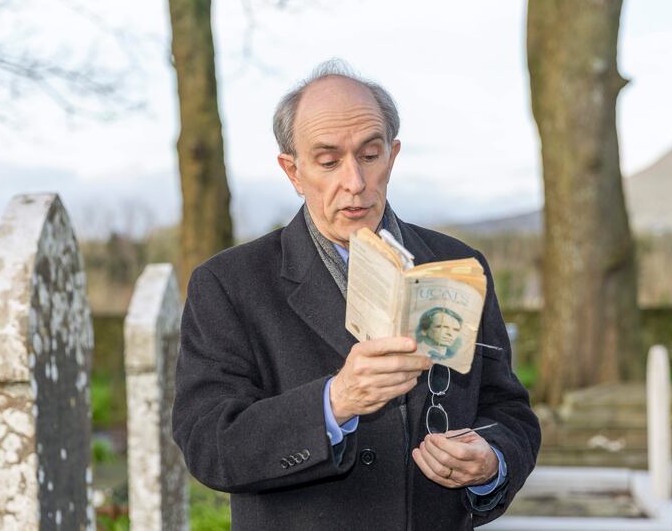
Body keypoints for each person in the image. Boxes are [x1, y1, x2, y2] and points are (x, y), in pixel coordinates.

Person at [172, 60, 540, 531]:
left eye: (370, 155)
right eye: (328, 161)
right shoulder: (227, 283)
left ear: (393, 154)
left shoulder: (458, 265)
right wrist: (335, 401)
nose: (356, 183)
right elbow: (209, 445)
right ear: (293, 170)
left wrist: (491, 464)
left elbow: (509, 411)